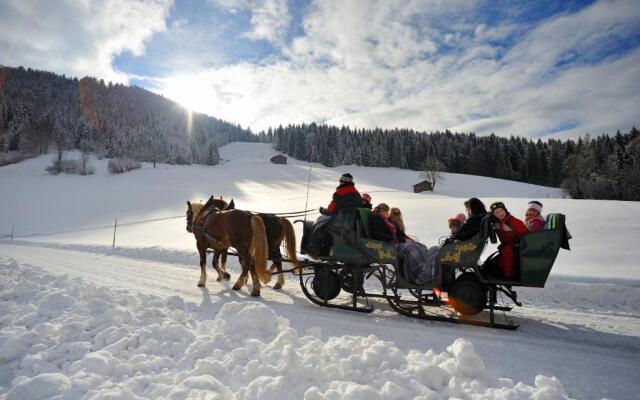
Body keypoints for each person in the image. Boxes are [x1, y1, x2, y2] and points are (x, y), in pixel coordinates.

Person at [490, 201, 529, 280]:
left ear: (505, 210)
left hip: (519, 243)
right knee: (501, 249)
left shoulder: (513, 221)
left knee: (507, 250)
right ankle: (501, 271)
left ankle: (509, 275)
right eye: (496, 212)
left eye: (501, 210)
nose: (500, 213)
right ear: (493, 214)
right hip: (507, 243)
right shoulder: (496, 222)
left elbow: (526, 233)